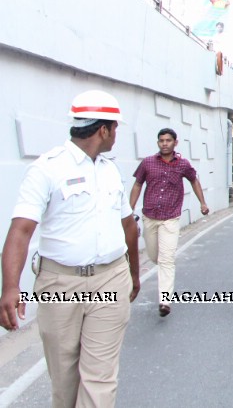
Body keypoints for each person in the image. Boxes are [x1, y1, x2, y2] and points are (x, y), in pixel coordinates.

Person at [0, 90, 141, 407]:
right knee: (64, 383)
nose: (116, 135)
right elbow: (20, 231)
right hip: (60, 283)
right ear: (103, 130)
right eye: (115, 128)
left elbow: (128, 225)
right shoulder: (46, 169)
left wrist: (133, 273)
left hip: (111, 278)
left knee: (99, 380)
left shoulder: (109, 170)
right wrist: (10, 287)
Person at [130, 128, 209, 317]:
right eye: (161, 141)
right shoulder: (148, 163)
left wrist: (203, 203)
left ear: (175, 142)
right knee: (154, 255)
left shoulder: (183, 164)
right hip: (150, 217)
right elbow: (138, 184)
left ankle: (165, 300)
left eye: (168, 140)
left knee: (166, 260)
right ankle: (163, 272)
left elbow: (194, 180)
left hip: (170, 219)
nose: (164, 143)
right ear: (158, 143)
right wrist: (128, 210)